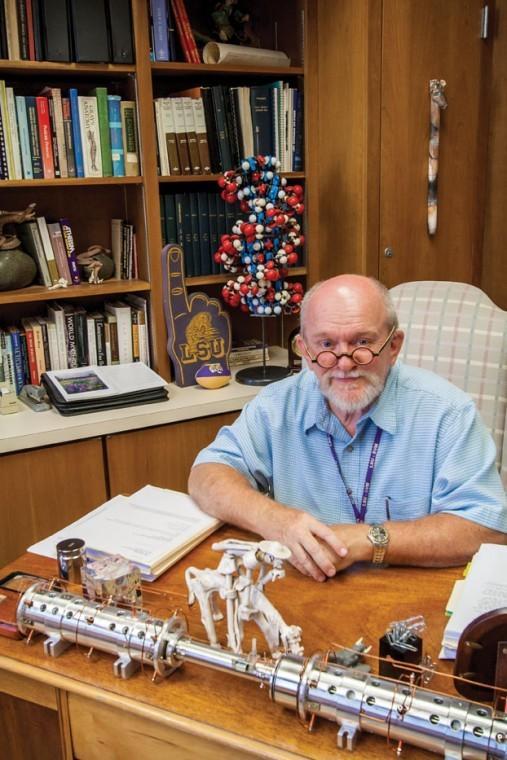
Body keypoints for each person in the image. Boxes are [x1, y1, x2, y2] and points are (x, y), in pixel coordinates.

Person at [189, 275, 507, 581]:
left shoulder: (447, 413)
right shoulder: (277, 405)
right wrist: (277, 521)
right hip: (306, 590)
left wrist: (368, 541)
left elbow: (486, 528)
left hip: (410, 596)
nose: (344, 364)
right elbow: (206, 475)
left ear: (394, 346)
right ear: (305, 351)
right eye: (326, 344)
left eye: (362, 343)